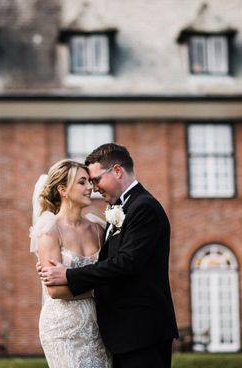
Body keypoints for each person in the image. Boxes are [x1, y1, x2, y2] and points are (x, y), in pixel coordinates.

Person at [42, 143, 178, 368]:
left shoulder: (144, 207)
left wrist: (70, 275)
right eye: (87, 182)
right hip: (122, 334)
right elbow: (108, 263)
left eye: (95, 180)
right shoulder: (121, 209)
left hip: (143, 332)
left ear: (117, 171)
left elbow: (126, 263)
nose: (94, 188)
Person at [29, 159, 112, 368]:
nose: (90, 188)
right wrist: (100, 290)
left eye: (89, 182)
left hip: (98, 327)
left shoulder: (98, 229)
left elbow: (110, 270)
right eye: (82, 182)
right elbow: (55, 291)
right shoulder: (49, 230)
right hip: (62, 328)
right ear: (63, 190)